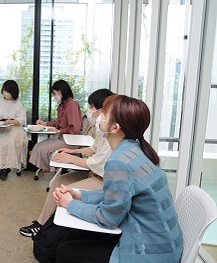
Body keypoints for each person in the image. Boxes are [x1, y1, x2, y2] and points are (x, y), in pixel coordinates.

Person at [48, 95, 182, 263]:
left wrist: (70, 204)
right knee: (70, 236)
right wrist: (78, 195)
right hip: (164, 244)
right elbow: (114, 195)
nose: (98, 117)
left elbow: (107, 218)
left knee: (65, 250)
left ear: (115, 127)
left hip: (148, 252)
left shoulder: (119, 162)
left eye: (103, 113)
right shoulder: (137, 150)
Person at [20, 89, 114, 237]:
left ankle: (51, 230)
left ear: (104, 111)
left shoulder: (112, 136)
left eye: (91, 107)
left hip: (103, 180)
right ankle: (42, 223)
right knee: (58, 181)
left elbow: (94, 162)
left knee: (64, 190)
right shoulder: (102, 132)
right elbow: (93, 149)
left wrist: (70, 157)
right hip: (93, 171)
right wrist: (71, 153)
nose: (88, 111)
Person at [28, 80, 83, 172]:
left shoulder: (72, 105)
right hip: (63, 138)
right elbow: (58, 123)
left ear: (60, 91)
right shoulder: (62, 105)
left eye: (54, 93)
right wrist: (45, 124)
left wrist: (59, 131)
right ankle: (50, 168)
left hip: (71, 141)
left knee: (43, 148)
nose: (54, 96)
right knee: (38, 145)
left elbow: (75, 129)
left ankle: (51, 169)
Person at [0, 80, 27, 180]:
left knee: (10, 140)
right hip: (1, 126)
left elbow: (21, 120)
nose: (5, 93)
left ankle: (7, 167)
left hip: (14, 128)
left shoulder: (18, 104)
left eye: (7, 91)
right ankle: (2, 165)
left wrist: (12, 121)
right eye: (4, 90)